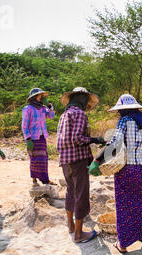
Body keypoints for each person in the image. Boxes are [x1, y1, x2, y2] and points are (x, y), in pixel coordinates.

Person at [89, 94, 142, 253]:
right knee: (140, 200)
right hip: (141, 168)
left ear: (123, 109)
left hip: (126, 169)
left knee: (124, 204)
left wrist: (97, 160)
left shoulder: (124, 121)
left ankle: (123, 244)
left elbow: (115, 143)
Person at [56, 87, 105, 243]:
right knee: (81, 195)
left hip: (65, 160)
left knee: (71, 191)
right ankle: (79, 234)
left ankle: (71, 225)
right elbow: (77, 138)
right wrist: (95, 140)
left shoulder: (64, 115)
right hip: (77, 160)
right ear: (82, 99)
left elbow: (64, 139)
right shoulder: (79, 114)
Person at [22, 88, 56, 186]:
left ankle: (45, 179)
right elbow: (24, 125)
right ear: (34, 97)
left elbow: (51, 116)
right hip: (32, 138)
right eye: (40, 96)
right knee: (34, 159)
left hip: (42, 137)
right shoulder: (27, 109)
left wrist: (49, 105)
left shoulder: (43, 109)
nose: (42, 97)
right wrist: (28, 139)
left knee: (43, 159)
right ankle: (34, 180)